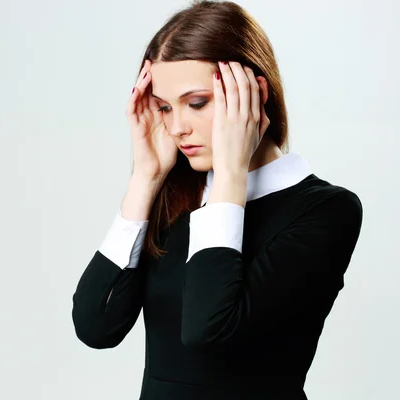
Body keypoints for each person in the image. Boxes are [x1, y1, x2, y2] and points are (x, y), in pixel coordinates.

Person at [72, 1, 363, 399]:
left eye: (196, 103)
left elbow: (209, 330)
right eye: (163, 107)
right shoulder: (177, 197)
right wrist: (146, 178)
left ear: (253, 93)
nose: (176, 127)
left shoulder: (327, 211)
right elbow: (94, 325)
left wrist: (230, 174)